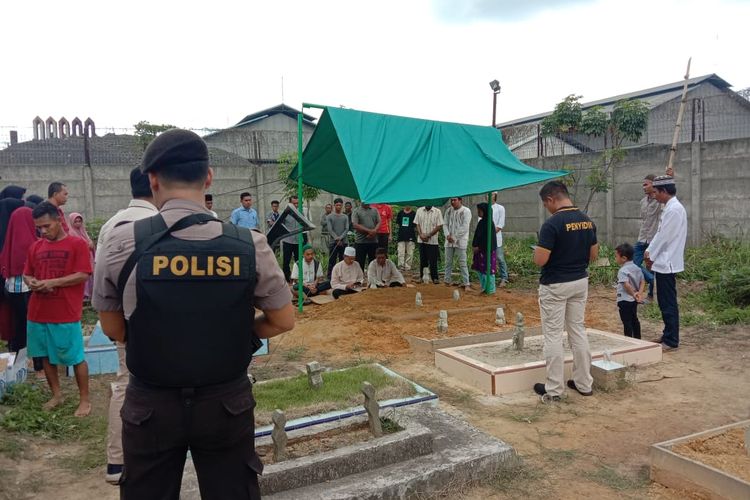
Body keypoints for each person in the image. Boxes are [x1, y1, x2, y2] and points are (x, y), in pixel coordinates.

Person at [92, 129, 294, 499]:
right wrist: (241, 337)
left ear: (152, 180)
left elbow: (112, 328)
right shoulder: (249, 244)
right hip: (225, 405)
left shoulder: (121, 242)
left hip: (151, 406)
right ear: (209, 177)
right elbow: (283, 320)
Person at [94, 166, 158, 485]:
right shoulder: (154, 224)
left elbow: (101, 282)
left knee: (126, 382)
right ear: (156, 183)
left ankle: (118, 461)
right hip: (154, 320)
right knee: (141, 384)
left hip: (121, 318)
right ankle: (133, 456)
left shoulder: (111, 224)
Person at [532, 181, 598, 402]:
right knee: (577, 331)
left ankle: (554, 390)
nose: (546, 208)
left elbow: (540, 260)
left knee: (553, 337)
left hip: (555, 285)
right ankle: (584, 383)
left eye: (545, 204)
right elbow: (594, 255)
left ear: (551, 199)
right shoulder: (587, 221)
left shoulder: (552, 225)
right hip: (580, 281)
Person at [24, 201, 92, 416]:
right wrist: (31, 282)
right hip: (37, 311)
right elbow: (27, 273)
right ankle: (57, 394)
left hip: (65, 312)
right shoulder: (35, 247)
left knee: (75, 356)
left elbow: (83, 274)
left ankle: (84, 400)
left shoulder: (77, 244)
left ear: (58, 220)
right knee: (44, 355)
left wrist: (53, 283)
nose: (43, 231)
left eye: (47, 226)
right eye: (39, 228)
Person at [645, 175, 687, 351]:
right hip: (664, 261)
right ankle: (667, 334)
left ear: (664, 191)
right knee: (664, 302)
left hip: (667, 262)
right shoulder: (670, 208)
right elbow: (661, 235)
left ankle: (671, 340)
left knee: (667, 302)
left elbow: (663, 237)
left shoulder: (674, 210)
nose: (654, 195)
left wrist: (649, 254)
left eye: (656, 192)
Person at [0, 207, 39, 357]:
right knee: (29, 323)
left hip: (11, 287)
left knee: (18, 322)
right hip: (26, 287)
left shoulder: (10, 238)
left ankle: (16, 352)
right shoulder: (30, 240)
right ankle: (33, 357)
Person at [634, 174, 660, 303]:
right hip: (642, 238)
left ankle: (651, 295)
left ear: (653, 185)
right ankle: (654, 282)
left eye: (646, 184)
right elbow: (644, 221)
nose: (643, 187)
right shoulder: (642, 202)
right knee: (633, 264)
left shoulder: (660, 201)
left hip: (653, 240)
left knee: (652, 266)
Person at [615, 243, 645, 339]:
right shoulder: (637, 268)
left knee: (626, 322)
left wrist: (633, 294)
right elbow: (642, 282)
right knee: (634, 319)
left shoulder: (622, 271)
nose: (615, 258)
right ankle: (638, 339)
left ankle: (628, 340)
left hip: (624, 300)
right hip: (633, 300)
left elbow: (626, 284)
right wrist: (638, 294)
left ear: (623, 258)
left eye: (616, 256)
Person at [443, 197, 472, 290]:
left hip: (460, 241)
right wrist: (447, 235)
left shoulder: (466, 211)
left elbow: (465, 227)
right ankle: (447, 281)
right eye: (451, 200)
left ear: (460, 200)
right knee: (448, 262)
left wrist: (454, 237)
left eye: (455, 200)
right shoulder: (448, 211)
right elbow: (445, 224)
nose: (452, 202)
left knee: (462, 262)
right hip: (449, 241)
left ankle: (466, 283)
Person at [471, 203, 498, 294]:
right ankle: (484, 287)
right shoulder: (481, 222)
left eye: (480, 210)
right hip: (479, 251)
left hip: (487, 251)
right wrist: (474, 245)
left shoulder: (489, 223)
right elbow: (477, 236)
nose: (478, 212)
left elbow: (488, 239)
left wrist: (479, 247)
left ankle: (490, 289)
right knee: (480, 270)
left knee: (488, 270)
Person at [68, 212, 96, 300]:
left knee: (89, 276)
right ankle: (84, 295)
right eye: (75, 222)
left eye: (79, 221)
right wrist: (86, 246)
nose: (78, 223)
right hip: (79, 261)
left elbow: (89, 243)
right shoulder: (70, 233)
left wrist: (91, 244)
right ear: (71, 222)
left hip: (88, 258)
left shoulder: (83, 231)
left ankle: (90, 294)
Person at [280, 195, 307, 282]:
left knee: (299, 261)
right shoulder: (285, 213)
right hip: (288, 240)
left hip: (298, 241)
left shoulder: (301, 212)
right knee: (286, 261)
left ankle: (298, 278)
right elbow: (280, 224)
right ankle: (287, 279)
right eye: (294, 203)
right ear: (290, 203)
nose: (296, 205)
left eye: (297, 203)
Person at [414, 205, 443, 284]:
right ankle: (422, 277)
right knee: (423, 259)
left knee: (433, 260)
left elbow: (439, 225)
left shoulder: (437, 211)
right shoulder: (419, 210)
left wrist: (429, 235)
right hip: (421, 239)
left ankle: (435, 278)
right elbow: (417, 224)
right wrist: (421, 235)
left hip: (432, 241)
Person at [351, 202, 380, 272]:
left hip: (373, 241)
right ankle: (359, 280)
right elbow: (355, 225)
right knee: (359, 262)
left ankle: (373, 279)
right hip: (360, 241)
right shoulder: (356, 211)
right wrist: (369, 231)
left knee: (374, 262)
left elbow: (379, 222)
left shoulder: (375, 210)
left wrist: (374, 231)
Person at [326, 198, 349, 278]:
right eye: (337, 205)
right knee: (332, 260)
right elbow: (330, 229)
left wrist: (341, 238)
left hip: (344, 242)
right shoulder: (329, 216)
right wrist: (336, 238)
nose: (338, 207)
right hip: (333, 242)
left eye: (340, 205)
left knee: (343, 260)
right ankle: (330, 277)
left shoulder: (345, 216)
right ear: (334, 205)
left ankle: (343, 276)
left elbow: (346, 228)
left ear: (342, 205)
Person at [491, 192, 509, 287]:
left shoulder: (500, 208)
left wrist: (491, 233)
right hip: (486, 238)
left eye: (492, 194)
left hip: (496, 237)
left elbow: (500, 224)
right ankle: (491, 278)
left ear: (495, 196)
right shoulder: (484, 208)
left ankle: (504, 278)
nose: (489, 196)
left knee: (500, 258)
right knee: (488, 259)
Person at [395, 205, 416, 272]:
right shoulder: (400, 213)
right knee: (401, 252)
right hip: (401, 236)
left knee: (410, 252)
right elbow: (398, 224)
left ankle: (408, 267)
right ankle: (401, 266)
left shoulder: (414, 214)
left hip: (411, 235)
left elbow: (415, 225)